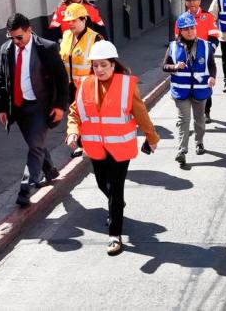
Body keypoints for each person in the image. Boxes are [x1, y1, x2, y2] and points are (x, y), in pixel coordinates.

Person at [66, 40, 160, 255]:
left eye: (104, 65)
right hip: (96, 147)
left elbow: (141, 113)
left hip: (119, 148)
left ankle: (114, 235)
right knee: (103, 184)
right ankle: (116, 205)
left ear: (113, 65)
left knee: (116, 189)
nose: (99, 69)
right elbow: (75, 112)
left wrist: (151, 137)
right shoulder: (85, 84)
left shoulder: (126, 85)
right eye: (95, 65)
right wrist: (72, 131)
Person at [0, 13, 69, 207]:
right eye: (11, 37)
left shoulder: (47, 48)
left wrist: (60, 106)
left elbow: (62, 79)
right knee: (36, 143)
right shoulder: (6, 49)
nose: (15, 41)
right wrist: (1, 107)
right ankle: (50, 170)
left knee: (35, 146)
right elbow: (0, 78)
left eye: (19, 37)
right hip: (18, 107)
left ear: (29, 30)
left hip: (41, 106)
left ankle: (25, 188)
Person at [164, 12, 216, 165]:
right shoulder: (173, 46)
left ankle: (199, 142)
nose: (190, 31)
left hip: (201, 90)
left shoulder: (205, 45)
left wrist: (212, 77)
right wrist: (174, 67)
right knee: (183, 120)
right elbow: (164, 66)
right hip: (181, 91)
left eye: (192, 28)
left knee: (199, 120)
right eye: (186, 29)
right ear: (180, 31)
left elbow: (212, 65)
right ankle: (182, 150)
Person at [59, 3, 103, 158]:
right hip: (70, 87)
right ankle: (81, 145)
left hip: (89, 87)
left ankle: (94, 145)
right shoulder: (66, 36)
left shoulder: (95, 38)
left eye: (74, 20)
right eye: (68, 21)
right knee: (76, 117)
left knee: (89, 118)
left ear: (84, 19)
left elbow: (102, 65)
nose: (70, 24)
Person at [176, 0, 220, 122]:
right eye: (189, 0)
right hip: (187, 58)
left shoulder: (208, 17)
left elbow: (214, 38)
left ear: (199, 0)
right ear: (185, 2)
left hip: (203, 57)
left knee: (205, 85)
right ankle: (186, 116)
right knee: (187, 87)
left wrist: (209, 52)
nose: (192, 3)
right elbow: (178, 40)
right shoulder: (181, 19)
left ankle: (206, 112)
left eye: (194, 0)